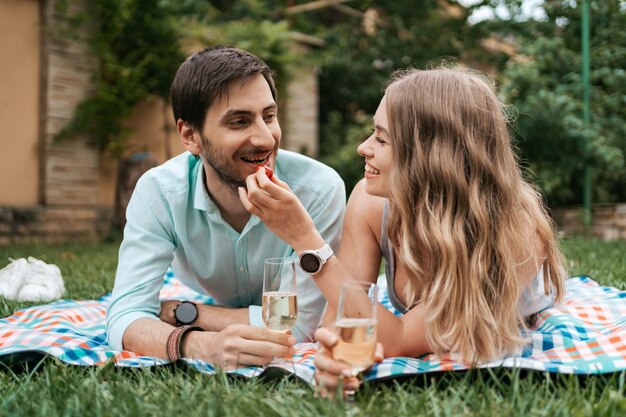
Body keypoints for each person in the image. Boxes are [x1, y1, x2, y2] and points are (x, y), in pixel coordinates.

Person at [239, 67, 566, 394]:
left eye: (381, 138)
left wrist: (306, 240)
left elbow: (398, 341)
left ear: (433, 155)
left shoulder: (514, 231)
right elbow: (340, 321)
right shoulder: (370, 201)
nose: (363, 148)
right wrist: (338, 355)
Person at [106, 46, 346, 369]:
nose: (265, 139)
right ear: (191, 136)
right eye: (239, 122)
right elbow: (124, 317)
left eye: (269, 116)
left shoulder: (318, 190)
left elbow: (298, 327)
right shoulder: (159, 193)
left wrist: (186, 312)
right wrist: (200, 344)